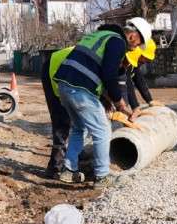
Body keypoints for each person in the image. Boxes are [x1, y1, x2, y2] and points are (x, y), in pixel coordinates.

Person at [53, 17, 152, 186]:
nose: (135, 47)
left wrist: (110, 100)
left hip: (64, 85)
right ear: (133, 36)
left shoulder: (100, 35)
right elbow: (109, 76)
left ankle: (69, 171)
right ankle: (102, 176)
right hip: (80, 89)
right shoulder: (117, 41)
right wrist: (120, 103)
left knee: (79, 128)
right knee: (102, 129)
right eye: (138, 43)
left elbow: (97, 70)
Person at [40, 43, 75, 178]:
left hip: (67, 73)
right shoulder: (111, 59)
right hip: (53, 69)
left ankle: (65, 162)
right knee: (62, 121)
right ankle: (55, 166)